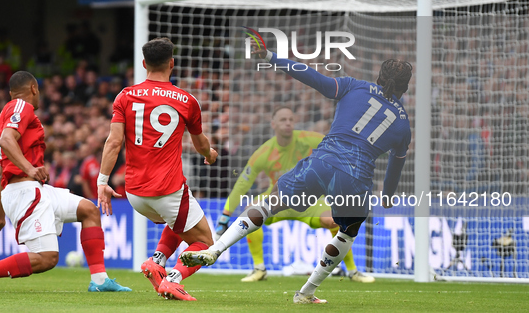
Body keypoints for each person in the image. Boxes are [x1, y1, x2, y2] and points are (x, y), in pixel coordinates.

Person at [181, 47, 412, 304]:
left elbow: (310, 76)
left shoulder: (354, 86)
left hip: (321, 162)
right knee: (346, 233)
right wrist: (388, 197)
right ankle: (306, 292)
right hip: (356, 178)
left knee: (269, 204)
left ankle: (215, 250)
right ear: (405, 88)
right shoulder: (403, 126)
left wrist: (271, 57)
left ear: (379, 77)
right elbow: (395, 167)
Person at [0, 71, 130, 293]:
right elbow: (7, 141)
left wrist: (0, 215)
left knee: (88, 211)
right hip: (25, 190)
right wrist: (29, 168)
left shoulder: (8, 115)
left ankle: (100, 281)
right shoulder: (20, 107)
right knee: (47, 258)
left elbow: (2, 169)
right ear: (34, 88)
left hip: (31, 189)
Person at [97, 37, 218, 301]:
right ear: (172, 63)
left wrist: (102, 182)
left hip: (135, 194)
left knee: (177, 222)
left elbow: (114, 142)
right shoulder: (187, 100)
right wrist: (209, 153)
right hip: (168, 189)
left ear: (143, 64)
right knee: (207, 243)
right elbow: (200, 144)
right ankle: (173, 279)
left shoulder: (125, 96)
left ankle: (157, 260)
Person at [216, 106, 374, 283]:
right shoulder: (264, 152)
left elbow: (335, 146)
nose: (288, 123)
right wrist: (225, 215)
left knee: (335, 220)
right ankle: (259, 269)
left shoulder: (307, 139)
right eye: (283, 120)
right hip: (278, 200)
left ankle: (352, 271)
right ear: (273, 124)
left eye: (291, 119)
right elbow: (242, 184)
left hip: (309, 199)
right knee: (250, 209)